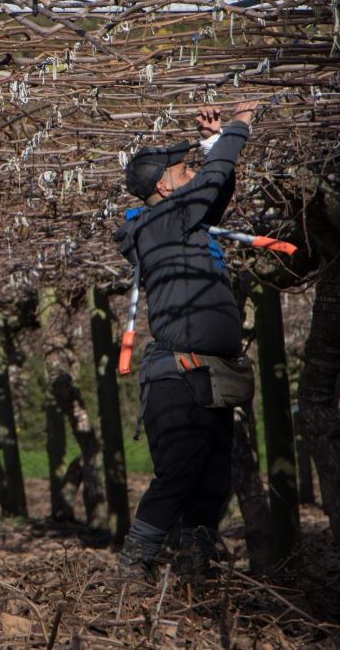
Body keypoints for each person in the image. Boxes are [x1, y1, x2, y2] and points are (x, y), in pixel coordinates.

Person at [111, 99, 262, 583]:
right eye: (183, 170)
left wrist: (218, 144)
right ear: (164, 186)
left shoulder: (181, 222)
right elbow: (213, 181)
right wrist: (238, 127)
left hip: (207, 372)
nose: (191, 173)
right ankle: (132, 568)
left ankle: (196, 569)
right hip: (178, 374)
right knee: (178, 473)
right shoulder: (162, 222)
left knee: (212, 481)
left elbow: (216, 190)